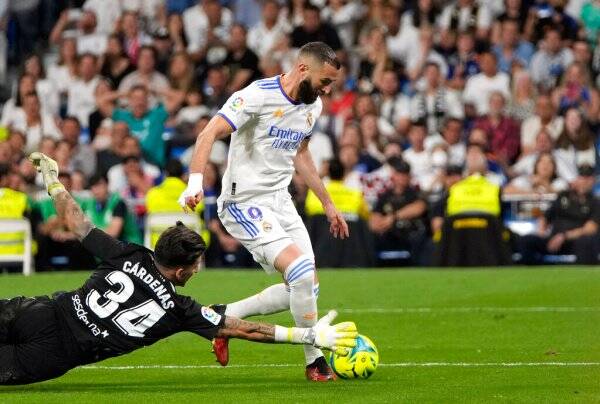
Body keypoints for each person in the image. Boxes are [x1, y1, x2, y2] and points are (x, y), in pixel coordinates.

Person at [0, 151, 356, 385]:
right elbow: (245, 330)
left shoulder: (128, 253)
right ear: (183, 271)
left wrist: (54, 182)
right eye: (196, 264)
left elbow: (77, 223)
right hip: (53, 354)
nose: (198, 269)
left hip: (42, 311)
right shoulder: (177, 309)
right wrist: (308, 336)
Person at [178, 42, 349, 381]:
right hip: (244, 203)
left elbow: (301, 154)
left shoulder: (312, 107)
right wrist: (194, 182)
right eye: (324, 81)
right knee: (299, 271)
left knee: (306, 287)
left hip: (280, 201)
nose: (327, 90)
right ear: (303, 69)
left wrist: (328, 203)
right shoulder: (257, 95)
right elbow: (209, 132)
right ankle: (314, 360)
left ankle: (222, 317)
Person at [518, 165, 600, 265]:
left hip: (574, 241)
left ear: (593, 181)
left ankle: (580, 274)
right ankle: (533, 273)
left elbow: (590, 229)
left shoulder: (595, 202)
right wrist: (542, 231)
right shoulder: (563, 196)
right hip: (553, 239)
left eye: (588, 179)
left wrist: (564, 236)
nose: (584, 181)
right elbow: (545, 217)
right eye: (582, 177)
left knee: (586, 242)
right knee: (527, 241)